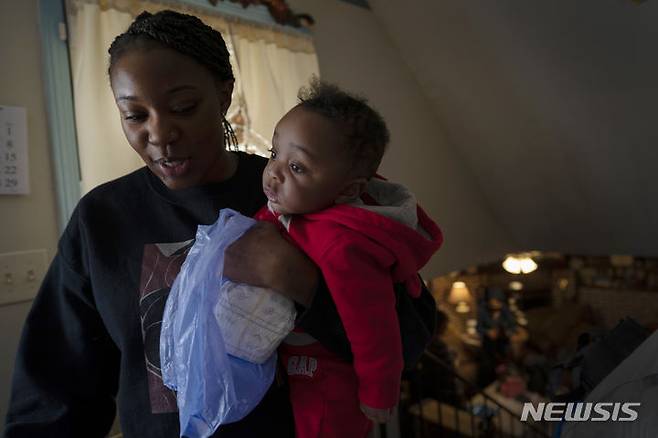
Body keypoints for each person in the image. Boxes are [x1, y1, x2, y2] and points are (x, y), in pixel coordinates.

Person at [3, 10, 437, 438]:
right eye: (135, 115)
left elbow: (406, 337)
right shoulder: (102, 219)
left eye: (183, 107)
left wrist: (301, 282)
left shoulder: (299, 193)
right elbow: (55, 391)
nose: (160, 133)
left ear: (224, 95)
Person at [255, 79, 443, 437]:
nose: (275, 171)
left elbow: (374, 327)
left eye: (297, 167)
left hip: (331, 378)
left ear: (348, 190)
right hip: (295, 359)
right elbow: (267, 223)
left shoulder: (345, 248)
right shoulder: (303, 203)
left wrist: (378, 393)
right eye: (274, 154)